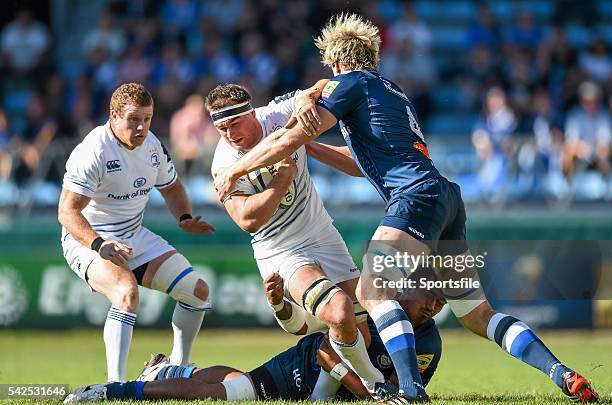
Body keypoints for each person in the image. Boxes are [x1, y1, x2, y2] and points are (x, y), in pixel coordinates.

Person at [213, 14, 599, 403]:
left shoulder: (351, 83)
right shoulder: (391, 90)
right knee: (479, 316)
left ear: (336, 63)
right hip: (446, 197)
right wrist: (310, 147)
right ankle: (561, 373)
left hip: (415, 198)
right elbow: (360, 161)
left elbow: (292, 134)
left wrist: (238, 169)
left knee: (372, 290)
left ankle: (410, 392)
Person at [206, 83, 391, 398]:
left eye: (235, 124)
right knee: (339, 311)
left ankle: (321, 392)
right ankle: (377, 387)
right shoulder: (223, 163)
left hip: (322, 234)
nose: (230, 134)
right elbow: (247, 219)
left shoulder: (277, 114)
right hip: (280, 250)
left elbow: (324, 86)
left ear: (252, 113)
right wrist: (282, 179)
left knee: (361, 335)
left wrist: (306, 98)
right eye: (222, 128)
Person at [63, 273, 445, 403]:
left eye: (442, 300)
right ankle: (115, 392)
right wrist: (372, 393)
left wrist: (383, 394)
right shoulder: (373, 306)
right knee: (222, 393)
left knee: (233, 382)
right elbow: (329, 354)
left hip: (321, 385)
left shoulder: (429, 344)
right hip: (298, 371)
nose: (433, 305)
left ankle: (166, 371)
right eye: (429, 294)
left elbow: (400, 390)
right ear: (408, 288)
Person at [58, 83, 215, 383]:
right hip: (88, 240)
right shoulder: (95, 150)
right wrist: (99, 244)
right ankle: (115, 387)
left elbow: (172, 187)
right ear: (114, 115)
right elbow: (67, 212)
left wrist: (184, 217)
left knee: (198, 293)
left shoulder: (152, 146)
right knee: (126, 294)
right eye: (133, 119)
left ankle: (174, 371)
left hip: (133, 235)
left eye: (147, 119)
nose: (141, 127)